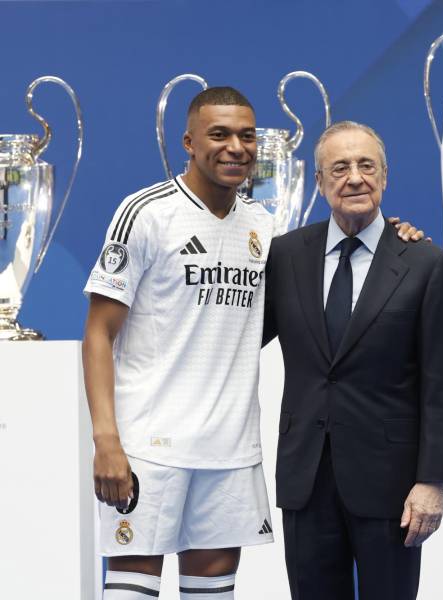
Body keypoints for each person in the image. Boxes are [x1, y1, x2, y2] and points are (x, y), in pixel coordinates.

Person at [82, 89, 424, 599]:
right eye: (219, 134)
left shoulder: (266, 228)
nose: (236, 147)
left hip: (230, 450)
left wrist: (391, 239)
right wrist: (106, 440)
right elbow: (98, 332)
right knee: (131, 590)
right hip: (149, 446)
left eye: (247, 136)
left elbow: (326, 275)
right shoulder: (146, 213)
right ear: (189, 142)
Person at [263, 121, 443, 600]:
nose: (354, 177)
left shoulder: (426, 264)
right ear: (318, 182)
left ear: (384, 177)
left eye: (366, 165)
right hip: (306, 479)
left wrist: (431, 481)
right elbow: (238, 337)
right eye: (340, 168)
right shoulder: (285, 256)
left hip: (392, 485)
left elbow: (440, 385)